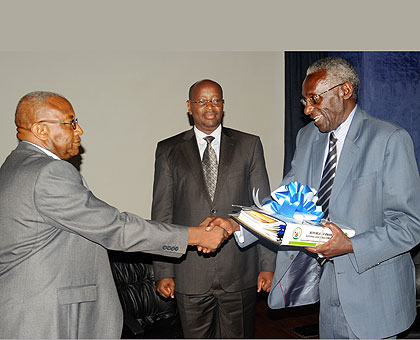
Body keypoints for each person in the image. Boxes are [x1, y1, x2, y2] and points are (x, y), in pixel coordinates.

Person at [217, 57, 420, 339]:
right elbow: (288, 198)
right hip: (327, 289)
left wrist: (350, 245)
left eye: (314, 99)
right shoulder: (308, 137)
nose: (308, 109)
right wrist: (240, 225)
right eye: (304, 102)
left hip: (375, 296)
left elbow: (410, 225)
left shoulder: (390, 139)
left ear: (345, 91)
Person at [0, 91, 229, 339]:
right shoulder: (49, 172)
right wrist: (195, 235)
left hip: (28, 308)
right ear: (41, 130)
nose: (79, 130)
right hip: (47, 316)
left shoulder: (15, 165)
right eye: (71, 122)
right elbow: (114, 227)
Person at [151, 79, 276, 338]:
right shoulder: (168, 150)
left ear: (223, 105)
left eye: (216, 100)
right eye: (202, 101)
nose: (210, 107)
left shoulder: (249, 145)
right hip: (189, 274)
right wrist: (164, 271)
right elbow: (162, 214)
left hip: (240, 270)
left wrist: (268, 265)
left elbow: (263, 207)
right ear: (189, 106)